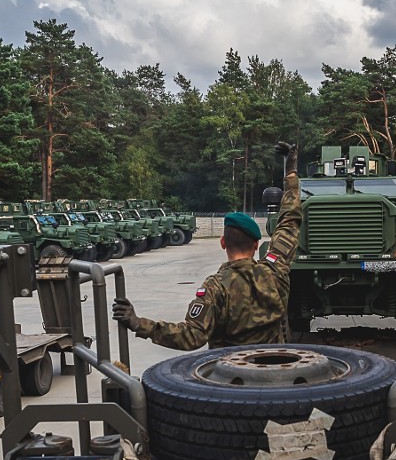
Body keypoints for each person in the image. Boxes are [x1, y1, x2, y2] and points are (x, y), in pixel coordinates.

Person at [111, 141, 302, 350]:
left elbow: (192, 336)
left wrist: (139, 323)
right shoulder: (275, 271)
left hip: (231, 376)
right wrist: (290, 172)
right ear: (256, 245)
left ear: (222, 242)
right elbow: (289, 222)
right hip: (278, 371)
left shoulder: (215, 287)